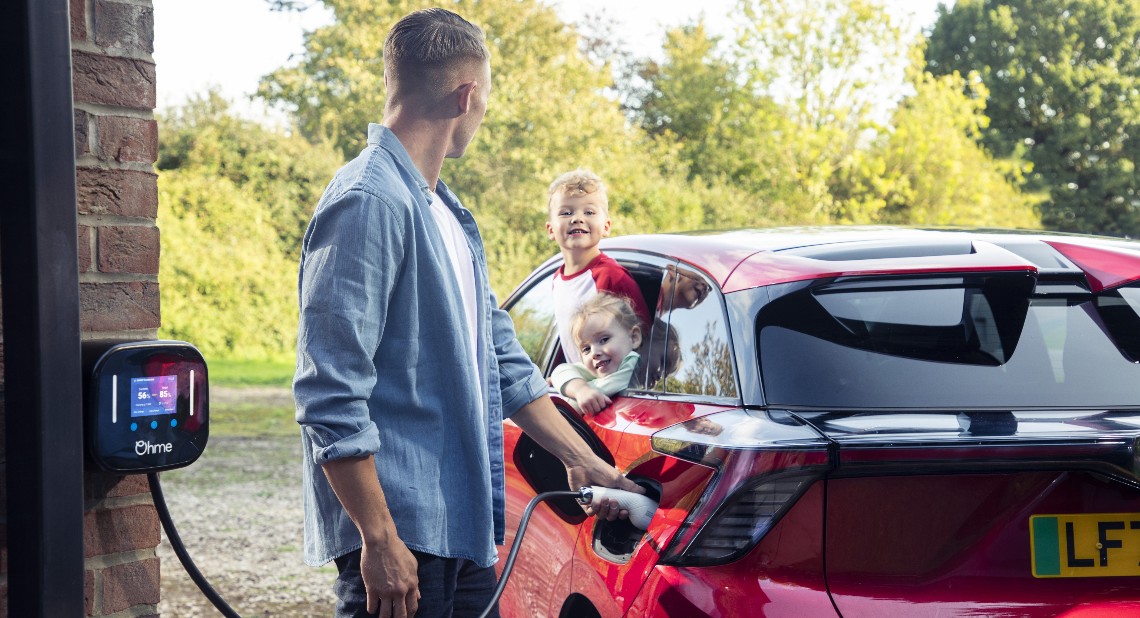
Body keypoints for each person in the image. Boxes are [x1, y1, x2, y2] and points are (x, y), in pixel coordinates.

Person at [292, 9, 642, 618]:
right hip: (402, 537)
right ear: (467, 95)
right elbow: (328, 392)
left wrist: (584, 461)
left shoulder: (446, 214)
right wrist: (378, 539)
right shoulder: (367, 202)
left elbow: (500, 358)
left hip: (465, 526)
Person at [544, 169, 652, 363]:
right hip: (579, 390)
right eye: (566, 212)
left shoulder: (612, 276)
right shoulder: (557, 281)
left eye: (589, 212)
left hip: (610, 390)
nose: (577, 218)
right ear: (551, 229)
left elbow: (643, 342)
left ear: (606, 226)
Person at [550, 293, 642, 414]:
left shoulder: (635, 364)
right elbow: (560, 371)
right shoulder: (597, 368)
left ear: (634, 338)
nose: (594, 353)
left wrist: (578, 391)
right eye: (586, 349)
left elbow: (577, 403)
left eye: (604, 340)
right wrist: (580, 390)